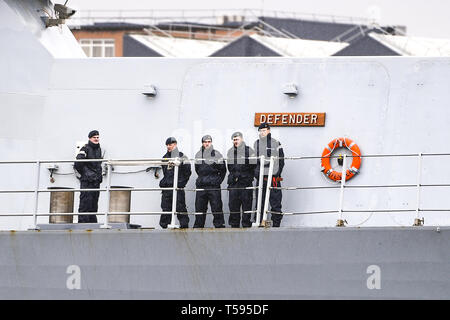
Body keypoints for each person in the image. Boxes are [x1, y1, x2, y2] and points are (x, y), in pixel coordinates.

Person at [254, 123, 285, 227]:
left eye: (264, 130)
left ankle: (276, 225)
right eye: (261, 131)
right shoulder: (257, 143)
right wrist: (257, 174)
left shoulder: (276, 143)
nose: (262, 132)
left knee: (276, 202)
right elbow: (255, 162)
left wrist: (276, 174)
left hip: (274, 178)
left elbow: (281, 160)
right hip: (261, 178)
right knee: (260, 202)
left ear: (269, 131)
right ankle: (260, 224)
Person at [193, 135, 226, 228]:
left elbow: (223, 170)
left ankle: (219, 226)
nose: (207, 144)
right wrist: (202, 179)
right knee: (199, 208)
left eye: (208, 142)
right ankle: (198, 227)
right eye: (205, 142)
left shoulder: (217, 154)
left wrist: (217, 181)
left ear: (211, 142)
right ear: (202, 143)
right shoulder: (198, 155)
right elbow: (197, 169)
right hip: (201, 185)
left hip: (213, 186)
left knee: (217, 207)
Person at [159, 137, 191, 229]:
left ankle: (184, 227)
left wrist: (180, 183)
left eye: (171, 144)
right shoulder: (165, 158)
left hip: (177, 187)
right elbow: (165, 172)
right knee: (166, 208)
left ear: (175, 144)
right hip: (167, 187)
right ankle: (164, 227)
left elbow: (188, 172)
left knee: (180, 206)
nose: (169, 146)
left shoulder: (182, 156)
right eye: (167, 145)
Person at [226, 132, 257, 228]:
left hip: (245, 184)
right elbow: (230, 167)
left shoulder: (249, 151)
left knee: (246, 207)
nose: (235, 141)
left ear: (242, 139)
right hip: (234, 184)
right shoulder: (230, 151)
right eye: (234, 140)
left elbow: (254, 166)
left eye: (237, 139)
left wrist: (246, 176)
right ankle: (234, 228)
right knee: (233, 207)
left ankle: (246, 227)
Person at [74, 130, 103, 223]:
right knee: (85, 202)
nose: (96, 139)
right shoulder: (85, 148)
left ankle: (92, 222)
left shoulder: (99, 149)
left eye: (97, 137)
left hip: (96, 181)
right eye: (94, 137)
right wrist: (85, 173)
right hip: (87, 180)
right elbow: (78, 163)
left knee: (94, 203)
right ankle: (83, 223)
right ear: (90, 138)